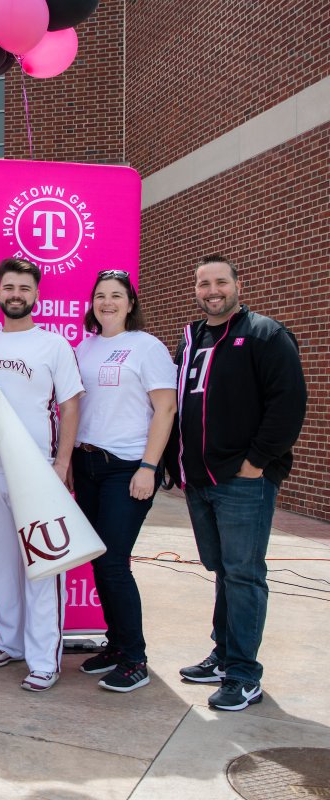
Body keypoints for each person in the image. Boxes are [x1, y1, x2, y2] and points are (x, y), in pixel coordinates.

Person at [172, 255, 306, 711]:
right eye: (203, 282)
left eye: (220, 282)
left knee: (245, 575)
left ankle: (245, 675)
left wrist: (256, 463)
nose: (212, 290)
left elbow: (288, 404)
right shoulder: (191, 339)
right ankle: (225, 655)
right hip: (200, 480)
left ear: (238, 285)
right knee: (225, 572)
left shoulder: (267, 335)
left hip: (244, 480)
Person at [0, 257, 84, 693]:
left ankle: (43, 658)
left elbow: (70, 405)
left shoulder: (53, 345)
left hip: (38, 472)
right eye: (9, 287)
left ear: (36, 296)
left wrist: (62, 463)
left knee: (43, 566)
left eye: (24, 289)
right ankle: (10, 640)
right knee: (0, 561)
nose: (15, 294)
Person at [71, 271, 176, 693]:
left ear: (131, 303)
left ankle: (135, 658)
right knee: (100, 559)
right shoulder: (86, 347)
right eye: (100, 296)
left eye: (116, 296)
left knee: (114, 562)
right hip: (87, 464)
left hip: (127, 466)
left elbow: (165, 410)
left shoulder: (146, 347)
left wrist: (149, 468)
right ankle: (115, 645)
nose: (108, 302)